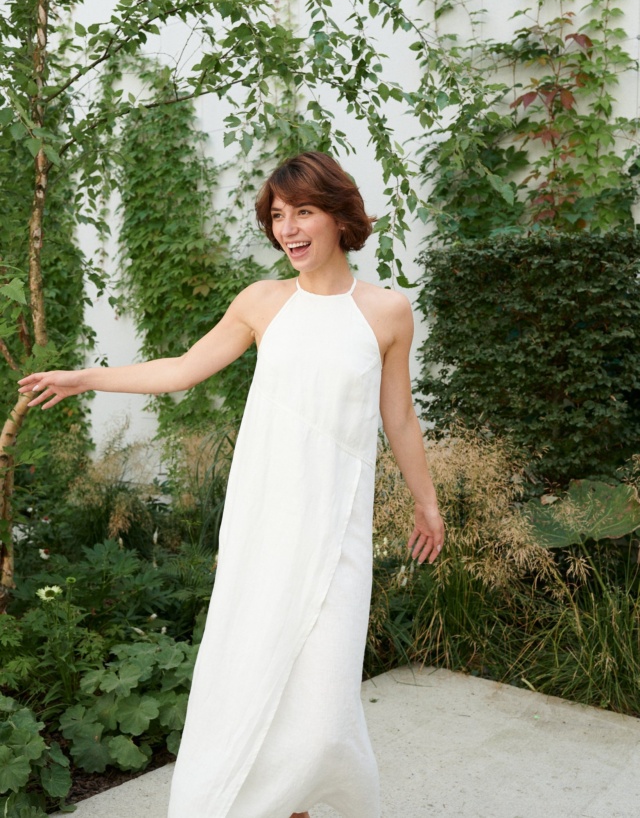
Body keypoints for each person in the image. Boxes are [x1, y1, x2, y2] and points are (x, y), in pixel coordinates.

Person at [19, 151, 445, 818]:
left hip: (337, 532)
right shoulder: (262, 302)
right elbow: (183, 368)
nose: (290, 228)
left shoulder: (388, 312)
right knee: (254, 672)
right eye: (278, 216)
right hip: (265, 525)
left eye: (303, 211)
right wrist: (86, 377)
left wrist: (427, 502)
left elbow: (400, 418)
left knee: (324, 707)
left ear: (338, 215)